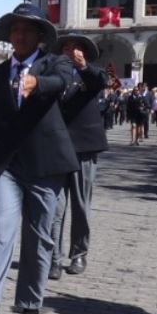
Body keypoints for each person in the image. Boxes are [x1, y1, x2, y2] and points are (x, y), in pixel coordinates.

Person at [0, 3, 81, 314]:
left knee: (38, 238)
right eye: (14, 30)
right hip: (6, 165)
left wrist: (37, 83)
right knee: (0, 232)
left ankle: (30, 310)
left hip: (45, 165)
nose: (19, 35)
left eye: (26, 30)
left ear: (38, 36)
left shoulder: (56, 63)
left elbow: (62, 81)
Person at [49, 34, 110, 279]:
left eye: (76, 47)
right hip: (56, 147)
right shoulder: (54, 73)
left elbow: (101, 81)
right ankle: (53, 258)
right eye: (66, 47)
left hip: (84, 147)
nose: (71, 50)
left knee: (81, 204)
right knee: (54, 208)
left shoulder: (91, 74)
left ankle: (79, 253)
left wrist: (83, 66)